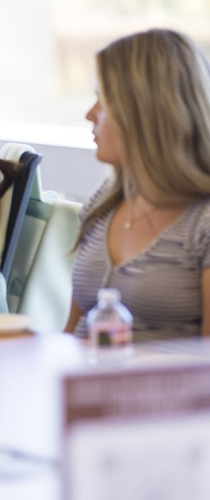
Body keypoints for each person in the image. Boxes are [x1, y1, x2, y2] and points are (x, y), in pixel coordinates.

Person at [65, 29, 210, 340]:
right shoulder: (102, 203)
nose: (89, 114)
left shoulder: (203, 223)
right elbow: (70, 334)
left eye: (103, 101)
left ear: (145, 113)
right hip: (83, 384)